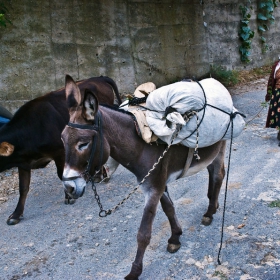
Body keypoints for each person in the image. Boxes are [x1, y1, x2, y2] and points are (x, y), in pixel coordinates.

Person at [265, 59, 280, 143]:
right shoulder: (277, 65)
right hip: (277, 93)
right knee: (277, 113)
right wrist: (269, 94)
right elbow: (271, 80)